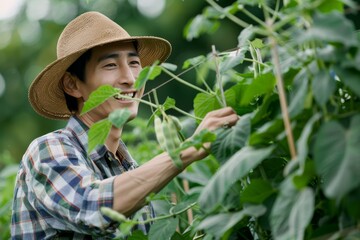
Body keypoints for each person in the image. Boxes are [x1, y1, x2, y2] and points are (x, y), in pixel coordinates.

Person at [11, 11, 239, 239]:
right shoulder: (48, 150)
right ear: (73, 84)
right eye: (110, 65)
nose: (130, 78)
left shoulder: (129, 169)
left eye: (134, 63)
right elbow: (92, 207)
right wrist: (187, 150)